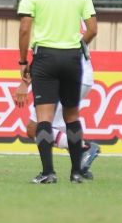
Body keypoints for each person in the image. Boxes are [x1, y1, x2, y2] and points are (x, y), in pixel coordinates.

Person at [17, 0, 97, 184]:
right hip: (72, 57)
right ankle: (76, 172)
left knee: (44, 117)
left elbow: (24, 28)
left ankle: (48, 173)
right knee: (72, 116)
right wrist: (77, 44)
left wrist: (23, 61)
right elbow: (92, 29)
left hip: (45, 57)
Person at [14, 51, 100, 179]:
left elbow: (48, 50)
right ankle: (79, 167)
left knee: (35, 128)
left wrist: (25, 81)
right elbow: (92, 31)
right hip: (81, 73)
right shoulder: (75, 32)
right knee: (66, 123)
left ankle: (83, 149)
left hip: (62, 73)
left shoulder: (52, 33)